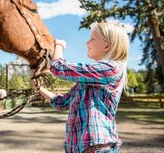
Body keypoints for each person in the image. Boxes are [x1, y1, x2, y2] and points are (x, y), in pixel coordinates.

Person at [38, 22, 129, 153]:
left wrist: (59, 45)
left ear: (107, 46)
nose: (87, 43)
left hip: (97, 149)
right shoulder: (89, 80)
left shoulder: (112, 69)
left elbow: (59, 68)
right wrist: (39, 87)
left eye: (92, 39)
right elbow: (62, 103)